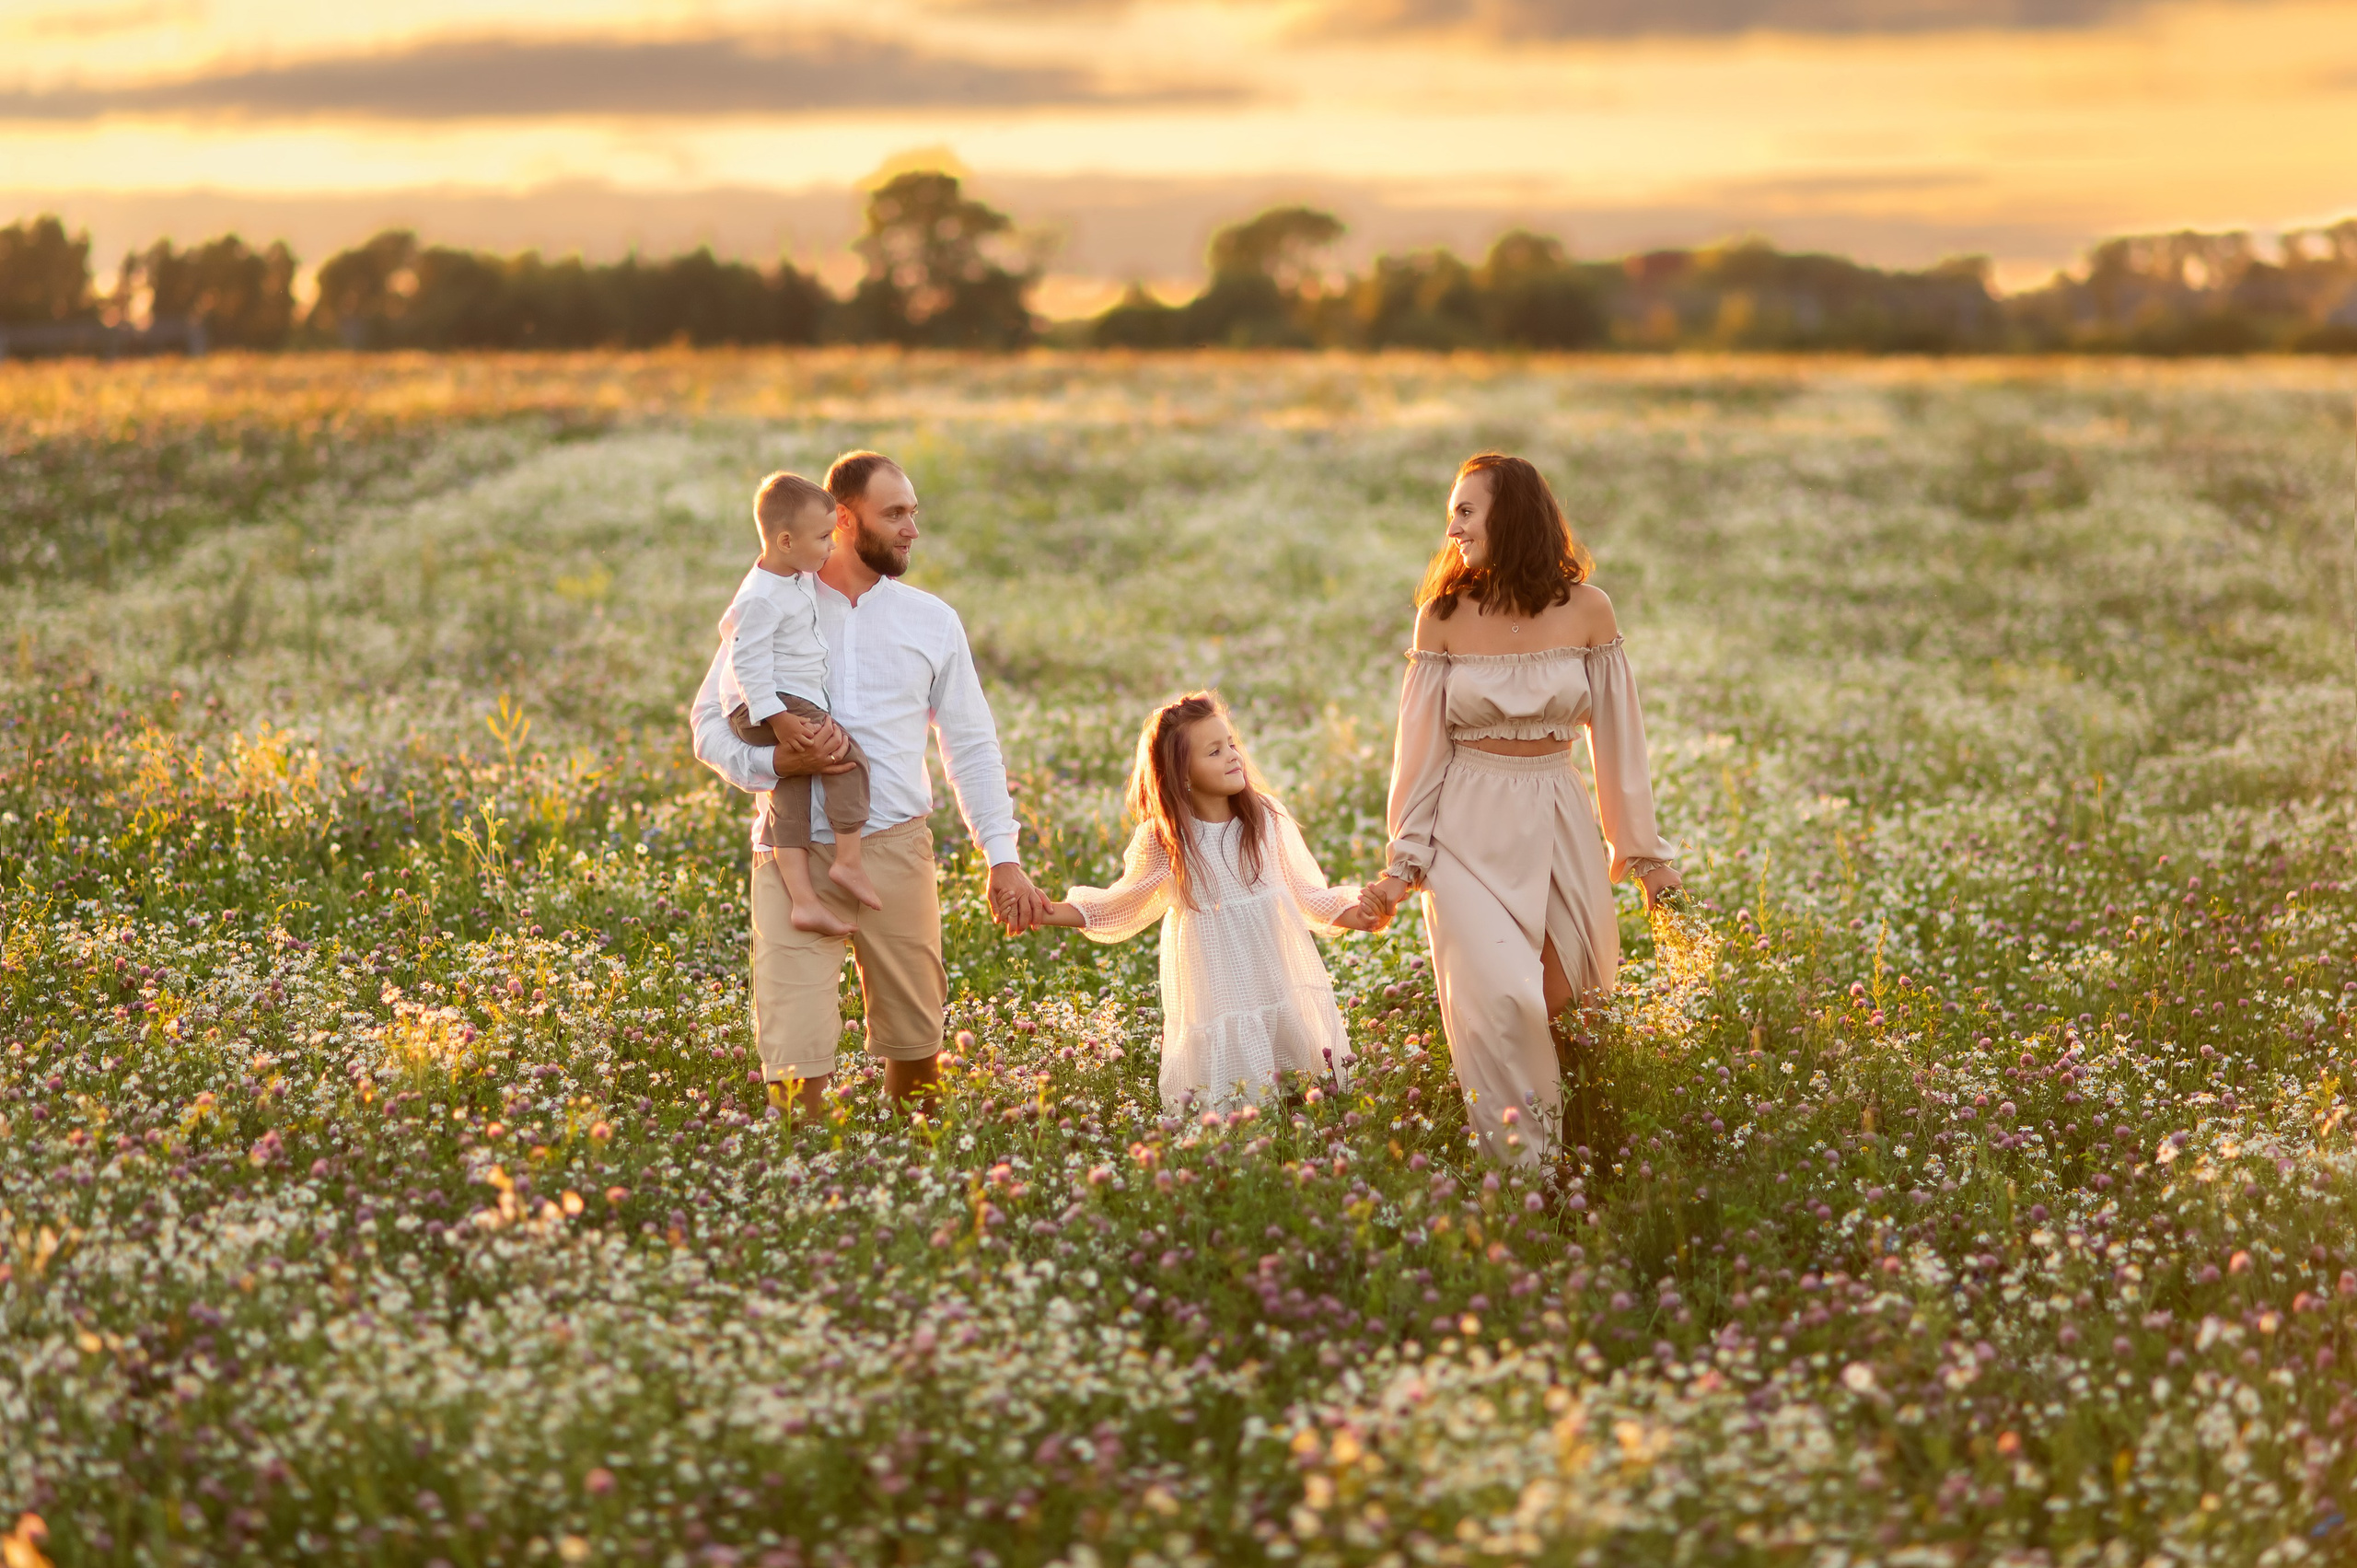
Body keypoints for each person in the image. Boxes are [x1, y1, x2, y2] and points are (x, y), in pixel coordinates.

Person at [690, 449, 1051, 1118]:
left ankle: (910, 1170)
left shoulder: (932, 620)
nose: (913, 528)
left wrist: (1002, 856)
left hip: (896, 850)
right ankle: (808, 1176)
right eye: (895, 514)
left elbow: (971, 744)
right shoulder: (770, 604)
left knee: (917, 1055)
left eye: (913, 511)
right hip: (791, 856)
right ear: (845, 520)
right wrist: (776, 767)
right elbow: (708, 725)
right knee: (793, 1068)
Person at [1356, 453, 1681, 1165]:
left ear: (1512, 515)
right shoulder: (1441, 619)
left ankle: (1577, 1151)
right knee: (1504, 1000)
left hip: (1557, 814)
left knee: (1569, 998)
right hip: (1465, 832)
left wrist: (1645, 856)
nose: (1452, 527)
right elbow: (1420, 754)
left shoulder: (1589, 610)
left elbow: (1619, 742)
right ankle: (1526, 1178)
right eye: (1453, 512)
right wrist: (1404, 863)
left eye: (1466, 510)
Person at [1039, 691, 1387, 1110]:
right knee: (1238, 1108)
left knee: (1306, 1096)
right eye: (1214, 751)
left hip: (1279, 984)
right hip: (1221, 999)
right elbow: (1119, 905)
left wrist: (1359, 914)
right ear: (1182, 773)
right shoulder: (1168, 840)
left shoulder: (1266, 818)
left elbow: (1307, 895)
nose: (1233, 756)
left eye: (1231, 744)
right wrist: (1043, 912)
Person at [716, 470, 879, 938]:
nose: (832, 545)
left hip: (779, 699)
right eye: (823, 538)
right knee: (845, 757)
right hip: (772, 701)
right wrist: (779, 718)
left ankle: (804, 903)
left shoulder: (790, 574)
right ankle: (848, 861)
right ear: (786, 541)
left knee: (791, 788)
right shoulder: (761, 597)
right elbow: (746, 662)